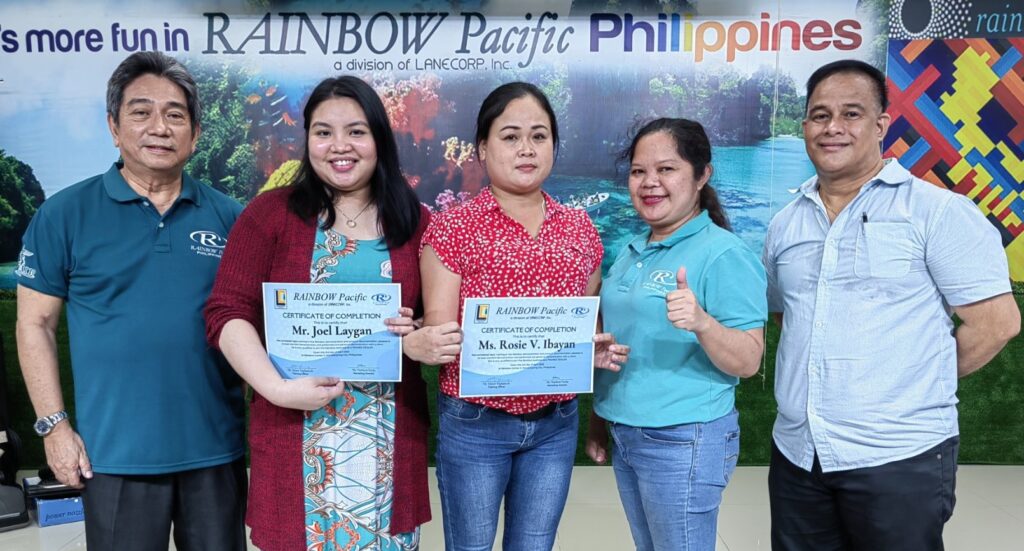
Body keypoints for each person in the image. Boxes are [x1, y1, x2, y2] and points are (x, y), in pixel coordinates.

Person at [763, 59, 1021, 550]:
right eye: (819, 115)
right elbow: (789, 318)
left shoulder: (936, 212)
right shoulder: (785, 224)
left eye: (851, 113)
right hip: (799, 454)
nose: (833, 127)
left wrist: (911, 381)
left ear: (882, 125)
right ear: (804, 127)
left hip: (899, 456)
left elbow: (997, 323)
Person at [205, 75, 450, 550]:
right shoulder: (269, 215)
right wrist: (275, 388)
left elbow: (433, 321)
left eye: (356, 131)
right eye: (323, 132)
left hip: (388, 445)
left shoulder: (418, 222)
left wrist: (417, 334)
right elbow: (226, 311)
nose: (340, 146)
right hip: (294, 434)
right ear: (308, 139)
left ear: (380, 137)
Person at [14, 51, 247, 549]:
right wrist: (54, 428)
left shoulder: (232, 217)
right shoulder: (63, 214)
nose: (159, 127)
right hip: (114, 456)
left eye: (176, 114)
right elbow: (34, 324)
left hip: (214, 451)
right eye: (141, 112)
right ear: (114, 127)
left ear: (196, 133)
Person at [419, 82, 604, 550]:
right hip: (477, 422)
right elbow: (442, 338)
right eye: (510, 136)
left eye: (539, 136)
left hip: (556, 423)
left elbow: (589, 319)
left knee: (535, 544)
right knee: (472, 545)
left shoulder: (580, 228)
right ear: (482, 148)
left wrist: (592, 349)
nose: (527, 148)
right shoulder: (453, 227)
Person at [585, 118, 767, 550]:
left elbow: (748, 360)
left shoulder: (723, 253)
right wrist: (598, 420)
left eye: (666, 169)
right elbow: (614, 346)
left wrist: (702, 322)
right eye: (638, 171)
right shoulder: (632, 251)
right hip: (627, 432)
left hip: (684, 439)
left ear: (702, 175)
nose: (650, 183)